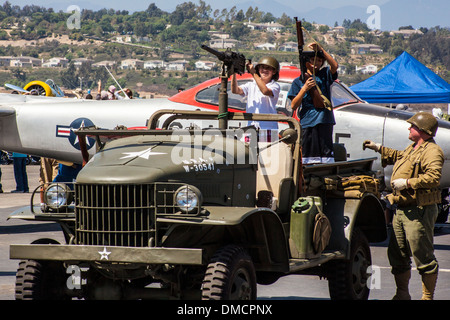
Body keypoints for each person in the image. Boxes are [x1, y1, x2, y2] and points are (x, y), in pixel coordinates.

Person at [363, 112, 443, 300]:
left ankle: (427, 297)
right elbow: (400, 156)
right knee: (397, 254)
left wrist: (407, 183)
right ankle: (402, 294)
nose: (409, 128)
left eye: (412, 126)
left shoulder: (432, 151)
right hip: (401, 210)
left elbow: (433, 178)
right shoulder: (414, 147)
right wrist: (379, 148)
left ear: (423, 131)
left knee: (423, 256)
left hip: (418, 211)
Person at [288, 42, 338, 164]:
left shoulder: (325, 74)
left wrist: (321, 50)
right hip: (308, 123)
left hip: (325, 120)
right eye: (313, 60)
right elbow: (294, 105)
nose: (317, 63)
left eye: (320, 60)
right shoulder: (298, 81)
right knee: (308, 159)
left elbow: (334, 66)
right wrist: (304, 88)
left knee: (327, 159)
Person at [231, 56, 280, 133]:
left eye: (268, 68)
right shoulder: (251, 84)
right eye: (262, 68)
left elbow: (265, 91)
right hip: (252, 127)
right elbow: (235, 90)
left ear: (274, 72)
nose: (264, 70)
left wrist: (253, 73)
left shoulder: (275, 86)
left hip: (269, 128)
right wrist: (234, 73)